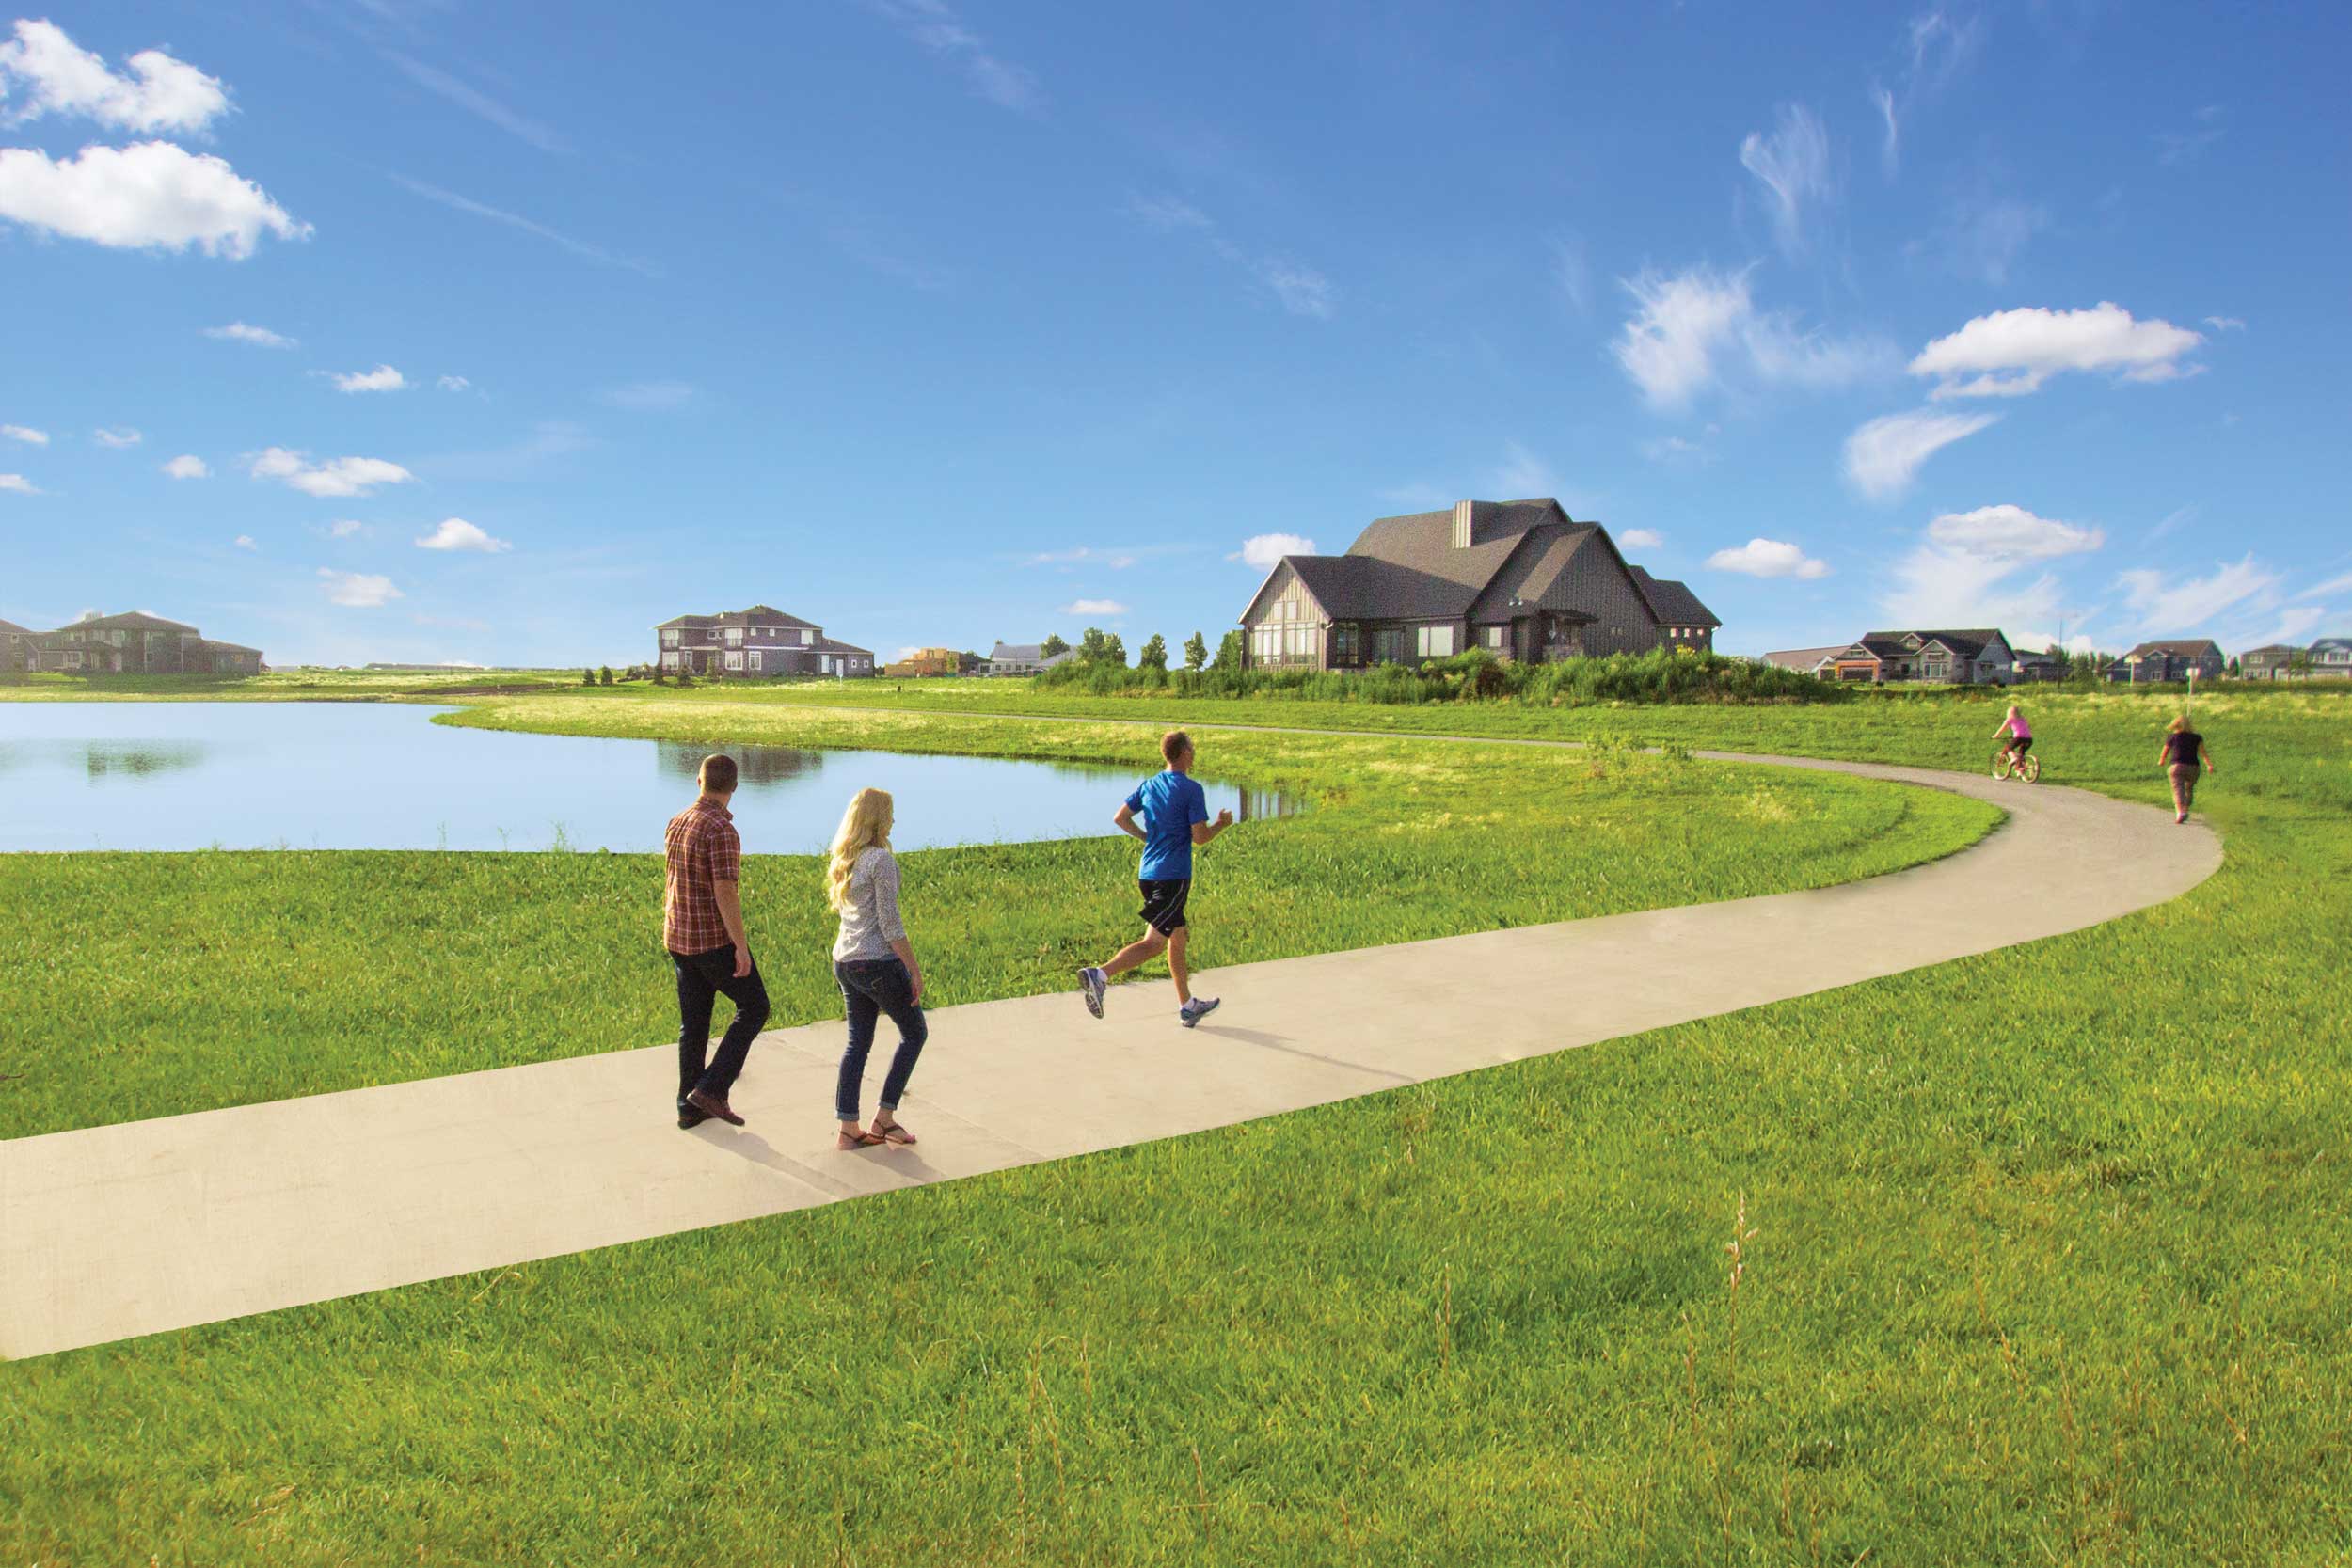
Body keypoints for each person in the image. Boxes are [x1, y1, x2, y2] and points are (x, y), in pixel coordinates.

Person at [1076, 729, 1234, 1027]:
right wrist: (1221, 825)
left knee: (1179, 935)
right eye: (1193, 748)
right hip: (1173, 877)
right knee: (1154, 944)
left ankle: (1187, 1005)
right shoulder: (1191, 789)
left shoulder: (1150, 785)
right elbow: (1200, 837)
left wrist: (1147, 839)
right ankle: (1100, 975)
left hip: (1148, 873)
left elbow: (1120, 817)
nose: (1194, 752)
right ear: (1185, 753)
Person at [666, 754, 768, 1129]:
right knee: (755, 1007)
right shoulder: (722, 831)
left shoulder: (677, 821)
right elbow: (725, 890)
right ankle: (712, 1088)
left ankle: (688, 1107)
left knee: (694, 1025)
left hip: (679, 938)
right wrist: (740, 946)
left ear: (699, 781)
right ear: (735, 788)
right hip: (711, 941)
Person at [826, 787, 928, 1148]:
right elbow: (890, 925)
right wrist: (913, 969)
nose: (894, 820)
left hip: (846, 961)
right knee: (914, 1034)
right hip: (876, 964)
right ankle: (884, 1119)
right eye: (890, 814)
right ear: (878, 819)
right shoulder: (880, 861)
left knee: (857, 1044)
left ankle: (848, 1129)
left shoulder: (846, 857)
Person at [2159, 715, 2216, 824]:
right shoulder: (2197, 738)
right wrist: (2209, 764)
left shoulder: (2172, 737)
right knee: (2188, 788)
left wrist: (2161, 760)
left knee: (2178, 790)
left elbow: (2165, 750)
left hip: (2177, 767)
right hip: (2193, 768)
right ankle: (2185, 809)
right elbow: (2203, 752)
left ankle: (2180, 812)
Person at [1993, 704, 2033, 769]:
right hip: (2029, 739)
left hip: (2019, 738)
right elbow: (2028, 727)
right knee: (2021, 754)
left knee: (2008, 748)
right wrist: (2029, 734)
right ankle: (2021, 768)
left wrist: (1996, 736)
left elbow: (2002, 729)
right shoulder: (2023, 718)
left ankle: (2014, 758)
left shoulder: (2009, 719)